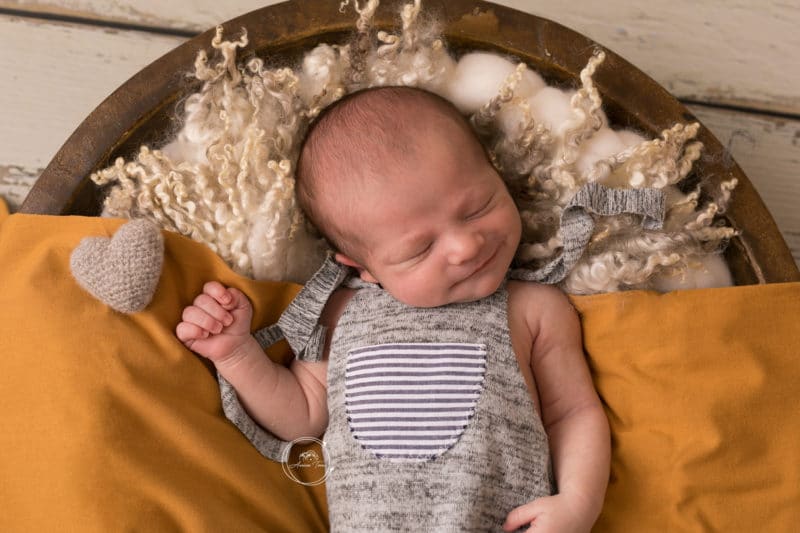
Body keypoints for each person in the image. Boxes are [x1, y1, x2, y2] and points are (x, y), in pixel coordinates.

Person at [176, 86, 610, 532]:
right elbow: (302, 415)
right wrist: (235, 354)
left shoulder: (534, 308)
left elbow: (572, 413)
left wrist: (578, 502)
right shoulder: (341, 313)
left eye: (479, 207)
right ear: (364, 268)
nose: (465, 246)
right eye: (420, 249)